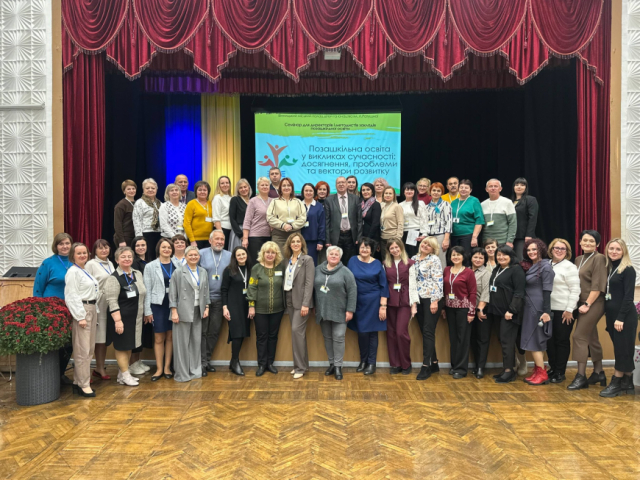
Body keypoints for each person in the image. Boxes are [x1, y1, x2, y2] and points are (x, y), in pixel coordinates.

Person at [567, 230, 608, 390]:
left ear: (597, 244)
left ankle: (581, 376)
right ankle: (599, 372)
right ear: (580, 242)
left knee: (579, 336)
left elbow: (598, 285)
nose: (588, 243)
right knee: (591, 337)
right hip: (581, 303)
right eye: (585, 240)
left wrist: (587, 304)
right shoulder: (578, 259)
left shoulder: (599, 258)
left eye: (592, 241)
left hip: (594, 302)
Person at [34, 233, 74, 384]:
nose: (65, 246)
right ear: (56, 246)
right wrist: (40, 308)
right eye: (61, 244)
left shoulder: (75, 261)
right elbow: (38, 287)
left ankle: (60, 373)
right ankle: (50, 375)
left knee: (69, 343)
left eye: (67, 243)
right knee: (54, 342)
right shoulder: (48, 263)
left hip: (72, 308)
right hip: (52, 310)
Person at [105, 247, 148, 387]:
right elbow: (111, 301)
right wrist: (118, 321)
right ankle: (125, 374)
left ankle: (122, 374)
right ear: (117, 260)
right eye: (123, 257)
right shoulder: (113, 278)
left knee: (129, 346)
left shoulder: (137, 274)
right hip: (121, 318)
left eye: (129, 256)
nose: (127, 259)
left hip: (135, 319)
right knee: (122, 347)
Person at [600, 238, 638, 397]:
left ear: (623, 252)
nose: (614, 252)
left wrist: (620, 318)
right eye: (611, 248)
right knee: (623, 349)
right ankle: (627, 382)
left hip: (624, 317)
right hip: (612, 316)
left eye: (618, 249)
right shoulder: (609, 268)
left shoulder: (628, 269)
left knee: (622, 350)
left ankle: (616, 382)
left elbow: (629, 297)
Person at [314, 246, 357, 381]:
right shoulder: (317, 270)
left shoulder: (346, 272)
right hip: (323, 310)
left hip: (340, 311)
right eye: (331, 254)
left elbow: (352, 291)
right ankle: (332, 364)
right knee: (327, 338)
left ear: (340, 257)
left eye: (336, 254)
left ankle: (338, 366)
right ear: (327, 256)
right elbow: (313, 289)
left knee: (338, 337)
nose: (333, 256)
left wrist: (350, 310)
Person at [169, 246, 210, 382]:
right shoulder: (178, 272)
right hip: (182, 311)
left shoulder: (203, 271)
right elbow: (172, 294)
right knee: (181, 344)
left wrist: (207, 307)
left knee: (195, 342)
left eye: (195, 255)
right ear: (185, 257)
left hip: (198, 310)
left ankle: (195, 371)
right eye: (190, 255)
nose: (193, 257)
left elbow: (206, 291)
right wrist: (174, 311)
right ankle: (182, 374)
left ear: (199, 257)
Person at [347, 238, 388, 375]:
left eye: (367, 247)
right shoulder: (352, 260)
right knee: (362, 332)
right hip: (357, 301)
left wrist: (383, 306)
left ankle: (371, 363)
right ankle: (363, 361)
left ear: (372, 250)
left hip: (373, 301)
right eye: (362, 247)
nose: (364, 249)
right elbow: (347, 280)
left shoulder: (377, 263)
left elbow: (384, 285)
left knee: (372, 332)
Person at [64, 243, 100, 397]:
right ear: (72, 255)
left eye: (84, 252)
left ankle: (78, 381)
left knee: (89, 349)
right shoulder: (72, 272)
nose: (82, 255)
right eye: (79, 253)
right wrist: (80, 316)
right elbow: (71, 296)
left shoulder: (84, 271)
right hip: (82, 311)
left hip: (91, 309)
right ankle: (84, 384)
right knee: (82, 350)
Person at [247, 241, 286, 376]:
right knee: (261, 337)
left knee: (273, 336)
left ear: (276, 254)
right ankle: (262, 364)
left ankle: (270, 363)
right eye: (267, 252)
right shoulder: (256, 268)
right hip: (259, 310)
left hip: (278, 309)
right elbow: (252, 287)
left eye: (273, 252)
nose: (270, 255)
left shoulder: (281, 268)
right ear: (263, 254)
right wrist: (251, 306)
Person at [488, 245, 525, 383]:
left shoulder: (516, 270)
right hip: (497, 312)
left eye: (504, 255)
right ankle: (507, 368)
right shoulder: (497, 269)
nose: (501, 257)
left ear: (511, 256)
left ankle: (509, 372)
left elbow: (519, 293)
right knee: (502, 340)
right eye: (498, 255)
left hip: (509, 313)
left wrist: (512, 310)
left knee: (507, 342)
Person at [519, 239, 555, 385]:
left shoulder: (546, 267)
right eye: (528, 250)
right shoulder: (532, 266)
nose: (531, 252)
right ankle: (538, 370)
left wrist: (546, 312)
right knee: (534, 339)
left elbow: (547, 291)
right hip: (529, 307)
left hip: (538, 308)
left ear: (541, 250)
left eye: (534, 249)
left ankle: (542, 374)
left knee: (535, 340)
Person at [546, 238, 580, 384]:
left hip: (564, 311)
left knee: (561, 341)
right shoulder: (546, 264)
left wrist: (569, 309)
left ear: (567, 252)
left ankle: (560, 372)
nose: (559, 251)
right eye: (556, 248)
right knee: (549, 341)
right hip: (548, 310)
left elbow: (575, 290)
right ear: (551, 249)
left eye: (562, 249)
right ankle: (553, 368)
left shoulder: (570, 267)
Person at [198, 230, 232, 375]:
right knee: (202, 332)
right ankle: (200, 363)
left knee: (214, 332)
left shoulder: (229, 255)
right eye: (217, 239)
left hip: (220, 300)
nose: (219, 242)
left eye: (222, 239)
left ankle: (206, 360)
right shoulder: (200, 254)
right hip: (203, 299)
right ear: (210, 240)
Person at [384, 239, 419, 375]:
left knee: (401, 333)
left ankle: (406, 363)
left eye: (396, 247)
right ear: (389, 250)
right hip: (390, 301)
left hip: (405, 301)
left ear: (401, 247)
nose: (394, 250)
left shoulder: (410, 263)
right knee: (391, 333)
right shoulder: (385, 264)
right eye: (392, 248)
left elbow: (413, 284)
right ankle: (395, 364)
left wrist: (414, 305)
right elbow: (384, 284)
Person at [142, 238, 176, 381]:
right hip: (158, 305)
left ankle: (167, 367)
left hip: (173, 304)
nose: (166, 249)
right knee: (158, 337)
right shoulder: (150, 266)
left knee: (170, 337)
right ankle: (159, 368)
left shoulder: (178, 264)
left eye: (169, 247)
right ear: (158, 249)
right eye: (164, 247)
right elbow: (147, 289)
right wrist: (147, 310)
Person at [283, 233, 315, 379]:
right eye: (293, 242)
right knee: (297, 335)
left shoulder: (307, 259)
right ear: (289, 244)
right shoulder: (287, 260)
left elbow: (309, 283)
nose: (295, 244)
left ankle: (300, 368)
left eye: (298, 241)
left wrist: (306, 304)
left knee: (297, 331)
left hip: (301, 301)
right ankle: (300, 364)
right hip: (289, 297)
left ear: (302, 244)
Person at [412, 237, 444, 381]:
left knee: (428, 331)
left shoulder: (434, 260)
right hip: (418, 299)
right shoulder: (414, 259)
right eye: (424, 243)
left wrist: (435, 300)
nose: (425, 246)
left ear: (433, 249)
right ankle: (434, 363)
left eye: (429, 245)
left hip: (431, 299)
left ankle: (426, 366)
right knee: (424, 331)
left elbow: (438, 280)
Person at [443, 246, 477, 379]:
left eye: (458, 255)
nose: (455, 257)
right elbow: (444, 290)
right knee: (453, 338)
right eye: (453, 255)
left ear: (463, 257)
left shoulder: (469, 272)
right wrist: (443, 308)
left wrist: (471, 312)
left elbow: (473, 293)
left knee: (463, 338)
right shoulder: (447, 270)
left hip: (464, 309)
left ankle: (461, 369)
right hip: (449, 308)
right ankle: (454, 366)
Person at [85, 239, 116, 381]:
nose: (104, 250)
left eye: (106, 247)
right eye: (100, 248)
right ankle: (85, 371)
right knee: (93, 339)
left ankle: (100, 368)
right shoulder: (91, 264)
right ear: (94, 251)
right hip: (97, 303)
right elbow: (87, 284)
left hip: (109, 303)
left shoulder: (110, 263)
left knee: (102, 339)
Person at [222, 246, 252, 376]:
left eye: (243, 254)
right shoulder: (229, 270)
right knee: (237, 333)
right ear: (235, 257)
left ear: (247, 255)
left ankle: (233, 361)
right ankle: (235, 361)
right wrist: (225, 307)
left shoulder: (251, 269)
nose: (241, 257)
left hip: (247, 305)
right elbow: (224, 289)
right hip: (233, 305)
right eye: (238, 255)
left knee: (242, 332)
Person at [325, 176, 363, 266]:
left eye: (343, 182)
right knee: (335, 261)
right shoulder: (329, 200)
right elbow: (327, 221)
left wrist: (358, 237)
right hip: (335, 236)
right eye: (339, 183)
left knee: (350, 261)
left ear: (346, 184)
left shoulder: (355, 199)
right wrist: (327, 240)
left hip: (351, 236)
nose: (341, 184)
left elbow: (359, 220)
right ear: (336, 185)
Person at [128, 236, 152, 375]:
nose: (141, 248)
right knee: (135, 334)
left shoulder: (148, 261)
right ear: (133, 247)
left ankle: (137, 361)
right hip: (137, 301)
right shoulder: (134, 263)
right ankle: (132, 363)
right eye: (138, 245)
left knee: (141, 335)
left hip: (146, 301)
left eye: (143, 245)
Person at [266, 177, 307, 252]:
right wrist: (283, 225)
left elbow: (303, 218)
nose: (286, 187)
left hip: (295, 234)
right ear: (280, 188)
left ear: (292, 188)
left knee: (294, 256)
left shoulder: (298, 202)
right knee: (279, 257)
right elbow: (269, 217)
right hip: (279, 235)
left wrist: (292, 226)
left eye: (288, 185)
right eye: (284, 186)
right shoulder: (274, 201)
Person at [469, 247, 491, 379]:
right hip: (468, 310)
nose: (478, 260)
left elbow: (486, 292)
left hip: (481, 310)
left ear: (485, 260)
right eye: (475, 257)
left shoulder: (486, 273)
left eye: (481, 258)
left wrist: (479, 309)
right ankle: (476, 364)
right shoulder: (466, 271)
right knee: (472, 338)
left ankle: (481, 368)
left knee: (482, 339)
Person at [243, 176, 273, 262]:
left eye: (266, 185)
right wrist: (245, 238)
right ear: (258, 187)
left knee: (267, 262)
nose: (264, 187)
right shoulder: (253, 201)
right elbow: (247, 220)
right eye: (262, 185)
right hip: (255, 237)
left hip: (269, 236)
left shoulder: (273, 201)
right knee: (256, 263)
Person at [450, 179, 485, 253]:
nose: (463, 189)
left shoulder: (474, 201)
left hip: (468, 235)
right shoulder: (453, 202)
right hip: (453, 235)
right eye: (461, 187)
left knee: (466, 257)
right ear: (458, 189)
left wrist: (474, 237)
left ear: (470, 190)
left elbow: (479, 220)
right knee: (455, 256)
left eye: (466, 188)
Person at [132, 178, 162, 261]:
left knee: (157, 257)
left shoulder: (160, 203)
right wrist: (139, 238)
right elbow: (136, 220)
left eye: (153, 188)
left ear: (156, 189)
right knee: (148, 258)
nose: (150, 190)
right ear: (143, 190)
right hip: (145, 234)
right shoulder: (139, 202)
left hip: (159, 234)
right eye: (147, 188)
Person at [423, 182, 452, 268]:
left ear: (442, 192)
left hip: (440, 236)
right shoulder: (427, 207)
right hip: (429, 236)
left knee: (440, 259)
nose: (436, 192)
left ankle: (441, 276)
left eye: (438, 191)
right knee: (429, 259)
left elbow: (449, 222)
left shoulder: (446, 204)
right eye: (434, 190)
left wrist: (446, 239)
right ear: (430, 192)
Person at [481, 179, 517, 248]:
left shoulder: (507, 202)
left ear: (500, 189)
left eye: (496, 186)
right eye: (490, 186)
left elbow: (513, 223)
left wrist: (510, 241)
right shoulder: (482, 204)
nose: (493, 188)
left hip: (502, 241)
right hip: (486, 242)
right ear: (486, 189)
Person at [512, 178, 539, 261]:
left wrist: (529, 235)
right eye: (517, 185)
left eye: (522, 185)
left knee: (521, 259)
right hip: (511, 236)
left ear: (526, 187)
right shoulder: (509, 201)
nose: (519, 187)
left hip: (523, 236)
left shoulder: (530, 199)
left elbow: (532, 218)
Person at [399, 182, 428, 258]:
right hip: (404, 233)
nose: (409, 191)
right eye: (407, 189)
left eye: (411, 190)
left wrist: (424, 234)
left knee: (414, 255)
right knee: (405, 256)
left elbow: (424, 219)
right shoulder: (400, 205)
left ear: (415, 191)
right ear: (403, 191)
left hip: (415, 232)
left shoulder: (420, 203)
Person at [183, 180, 214, 250]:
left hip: (210, 239)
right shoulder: (191, 204)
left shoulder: (211, 203)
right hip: (195, 240)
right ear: (196, 192)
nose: (202, 192)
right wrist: (192, 240)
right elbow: (186, 223)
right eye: (200, 190)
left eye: (205, 190)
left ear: (208, 192)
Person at [300, 183, 326, 266]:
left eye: (310, 191)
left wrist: (320, 241)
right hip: (299, 240)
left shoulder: (319, 206)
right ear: (303, 192)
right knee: (299, 264)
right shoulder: (298, 204)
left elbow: (322, 224)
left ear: (314, 192)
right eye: (306, 190)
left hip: (313, 241)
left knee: (311, 264)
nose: (308, 192)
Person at [380, 186, 404, 257]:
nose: (388, 195)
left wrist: (397, 238)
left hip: (393, 237)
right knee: (385, 260)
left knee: (393, 259)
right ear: (383, 195)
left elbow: (400, 223)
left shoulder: (397, 206)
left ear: (394, 195)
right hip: (382, 237)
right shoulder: (382, 205)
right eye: (386, 193)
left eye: (390, 193)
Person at [229, 179, 251, 252]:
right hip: (239, 232)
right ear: (238, 190)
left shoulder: (252, 201)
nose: (243, 189)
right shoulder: (235, 200)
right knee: (238, 254)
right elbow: (232, 219)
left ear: (248, 187)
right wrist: (241, 235)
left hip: (251, 232)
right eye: (240, 188)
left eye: (245, 187)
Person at [212, 175, 233, 250]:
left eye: (227, 183)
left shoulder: (231, 197)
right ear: (219, 185)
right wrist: (220, 233)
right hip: (222, 229)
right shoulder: (217, 198)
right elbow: (216, 217)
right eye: (222, 183)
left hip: (231, 230)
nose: (225, 185)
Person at [114, 180, 136, 247]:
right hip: (125, 237)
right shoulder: (121, 205)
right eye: (128, 189)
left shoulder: (137, 204)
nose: (131, 191)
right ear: (124, 191)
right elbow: (117, 223)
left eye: (133, 188)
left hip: (134, 236)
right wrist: (121, 240)